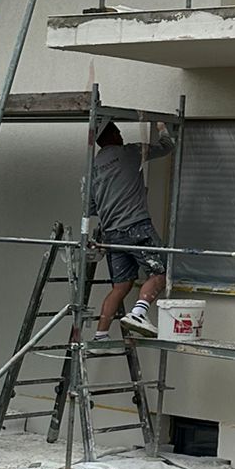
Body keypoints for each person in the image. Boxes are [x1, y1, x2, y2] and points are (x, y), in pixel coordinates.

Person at [88, 118, 175, 346]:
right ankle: (138, 313)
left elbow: (90, 208)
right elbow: (167, 147)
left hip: (111, 234)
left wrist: (114, 199)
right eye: (118, 131)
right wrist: (162, 128)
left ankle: (100, 337)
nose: (121, 135)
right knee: (160, 272)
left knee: (121, 286)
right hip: (136, 227)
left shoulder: (93, 167)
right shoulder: (130, 152)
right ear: (111, 135)